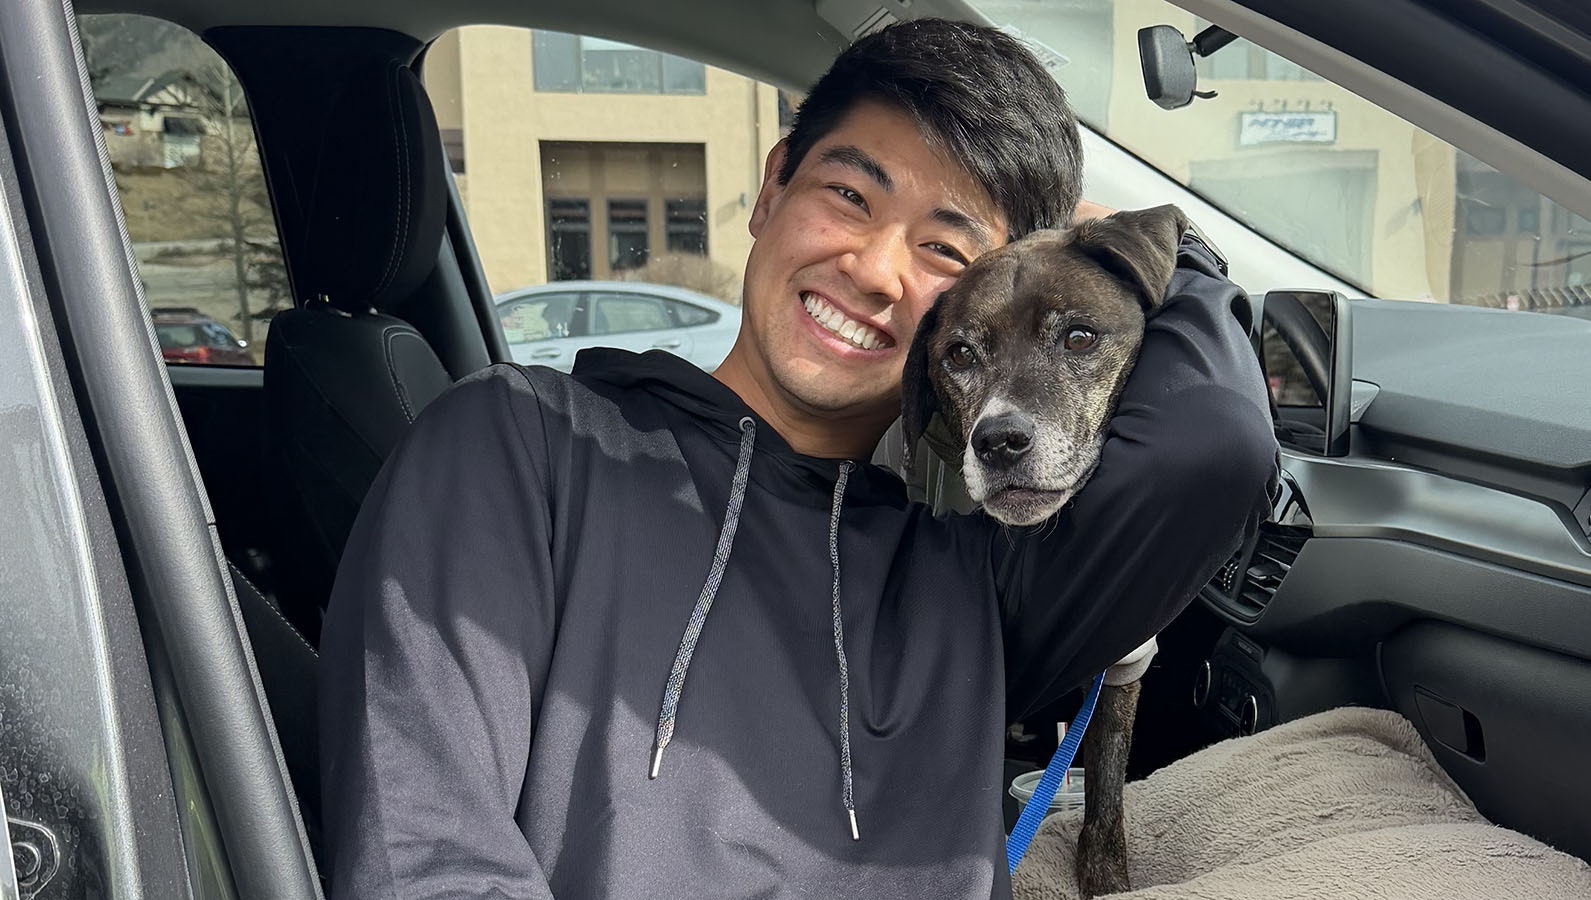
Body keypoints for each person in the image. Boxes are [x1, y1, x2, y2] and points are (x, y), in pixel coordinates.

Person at [317, 17, 1278, 900]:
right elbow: (427, 851)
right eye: (849, 195)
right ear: (772, 188)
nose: (873, 267)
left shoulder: (970, 581)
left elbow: (1213, 446)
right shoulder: (522, 443)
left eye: (948, 253)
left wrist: (1156, 250)